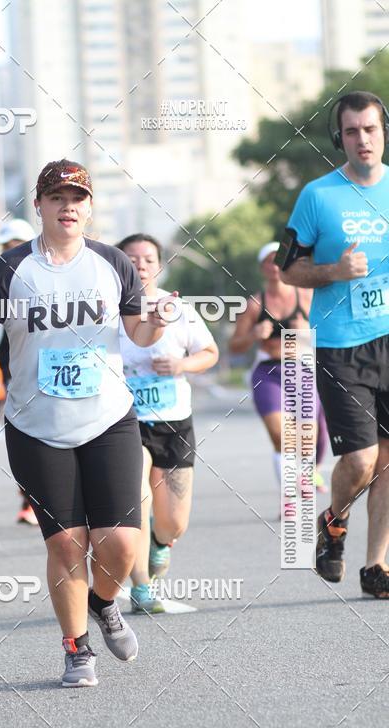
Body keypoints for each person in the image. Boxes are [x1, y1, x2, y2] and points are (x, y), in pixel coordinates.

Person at [0, 158, 174, 687]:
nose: (67, 206)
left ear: (90, 207)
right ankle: (77, 648)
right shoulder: (9, 269)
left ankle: (103, 604)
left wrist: (156, 320)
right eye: (57, 198)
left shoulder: (113, 264)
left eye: (77, 198)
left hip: (107, 418)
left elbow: (138, 336)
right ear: (39, 206)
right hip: (36, 424)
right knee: (66, 543)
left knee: (123, 544)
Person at [280, 90, 389, 598]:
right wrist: (334, 271)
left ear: (383, 131)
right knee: (363, 459)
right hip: (343, 345)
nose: (362, 139)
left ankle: (376, 567)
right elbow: (289, 268)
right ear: (339, 138)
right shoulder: (317, 196)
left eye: (370, 129)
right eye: (351, 131)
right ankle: (334, 519)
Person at [117, 233, 219, 612]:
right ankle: (142, 586)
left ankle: (162, 542)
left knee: (174, 521)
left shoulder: (179, 310)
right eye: (131, 258)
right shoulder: (109, 308)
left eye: (147, 258)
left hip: (173, 421)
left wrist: (181, 365)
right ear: (119, 264)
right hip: (125, 421)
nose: (140, 264)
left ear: (159, 266)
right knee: (136, 500)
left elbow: (209, 352)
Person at [229, 242, 329, 501]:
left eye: (280, 260)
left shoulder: (306, 296)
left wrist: (307, 329)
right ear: (263, 267)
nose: (275, 266)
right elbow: (234, 346)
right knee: (280, 435)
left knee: (309, 436)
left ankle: (307, 473)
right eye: (270, 260)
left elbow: (332, 334)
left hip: (303, 370)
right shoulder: (254, 304)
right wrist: (253, 335)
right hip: (268, 371)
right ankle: (289, 496)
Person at [0, 217, 39, 525]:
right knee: (25, 439)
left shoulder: (46, 274)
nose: (8, 253)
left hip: (54, 370)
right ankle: (29, 500)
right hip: (14, 372)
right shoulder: (0, 278)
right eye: (4, 248)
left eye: (13, 246)